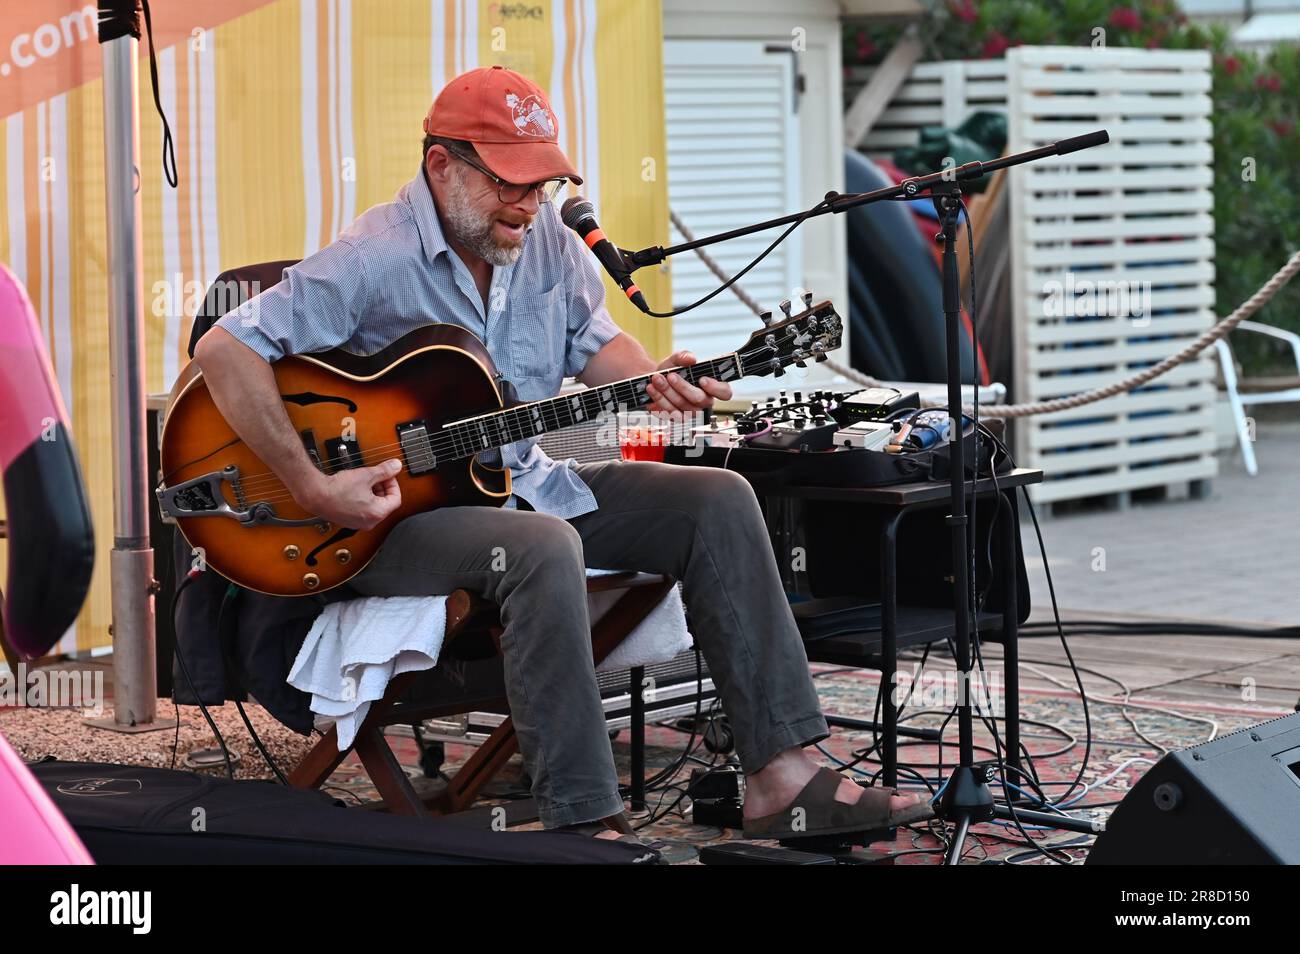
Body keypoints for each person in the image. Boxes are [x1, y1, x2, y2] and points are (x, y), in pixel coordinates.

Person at [194, 65, 930, 843]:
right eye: (510, 182)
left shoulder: (545, 239)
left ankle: (782, 780)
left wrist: (655, 381)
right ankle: (584, 826)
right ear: (443, 166)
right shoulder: (375, 256)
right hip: (374, 521)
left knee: (714, 500)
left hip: (510, 483)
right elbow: (225, 347)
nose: (528, 203)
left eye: (541, 183)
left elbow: (597, 344)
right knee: (542, 546)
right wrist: (314, 486)